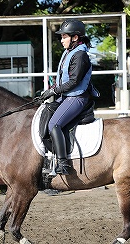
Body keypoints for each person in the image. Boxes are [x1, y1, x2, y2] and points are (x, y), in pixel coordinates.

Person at [41, 19, 97, 175]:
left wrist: (54, 91)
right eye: (61, 37)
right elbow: (62, 79)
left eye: (64, 37)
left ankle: (63, 164)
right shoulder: (69, 53)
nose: (61, 40)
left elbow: (74, 81)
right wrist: (50, 90)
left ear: (75, 38)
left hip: (77, 97)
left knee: (54, 125)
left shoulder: (80, 55)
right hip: (66, 96)